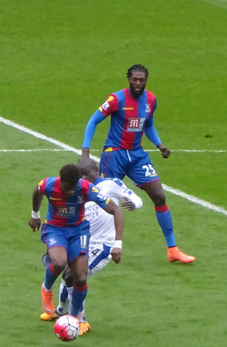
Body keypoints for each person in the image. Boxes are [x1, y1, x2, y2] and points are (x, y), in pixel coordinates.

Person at [81, 64, 195, 264]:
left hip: (137, 156)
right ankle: (84, 245)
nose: (138, 83)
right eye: (135, 79)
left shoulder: (150, 100)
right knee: (101, 203)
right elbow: (93, 121)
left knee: (159, 196)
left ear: (146, 81)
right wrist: (85, 152)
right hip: (114, 155)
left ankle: (173, 249)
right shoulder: (116, 99)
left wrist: (159, 145)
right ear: (128, 79)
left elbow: (148, 125)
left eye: (142, 80)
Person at [40, 158, 141, 334]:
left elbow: (136, 200)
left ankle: (80, 319)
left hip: (103, 245)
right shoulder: (76, 190)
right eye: (82, 174)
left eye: (88, 173)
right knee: (66, 273)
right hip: (84, 238)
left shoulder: (110, 184)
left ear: (96, 170)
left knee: (75, 276)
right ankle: (61, 311)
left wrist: (133, 204)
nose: (85, 177)